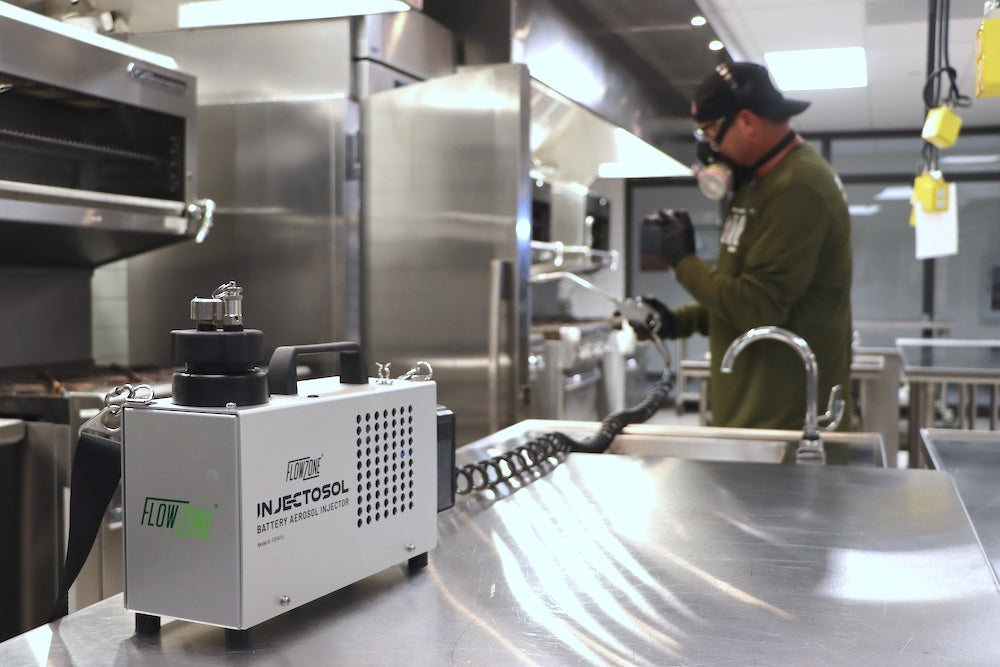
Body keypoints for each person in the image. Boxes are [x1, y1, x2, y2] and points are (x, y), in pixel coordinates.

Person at [636, 62, 853, 432]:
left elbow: (756, 306)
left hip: (787, 425)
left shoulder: (798, 187)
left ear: (748, 122)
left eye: (710, 131)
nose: (709, 146)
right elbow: (737, 291)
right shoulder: (756, 185)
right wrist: (677, 321)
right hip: (749, 416)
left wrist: (684, 263)